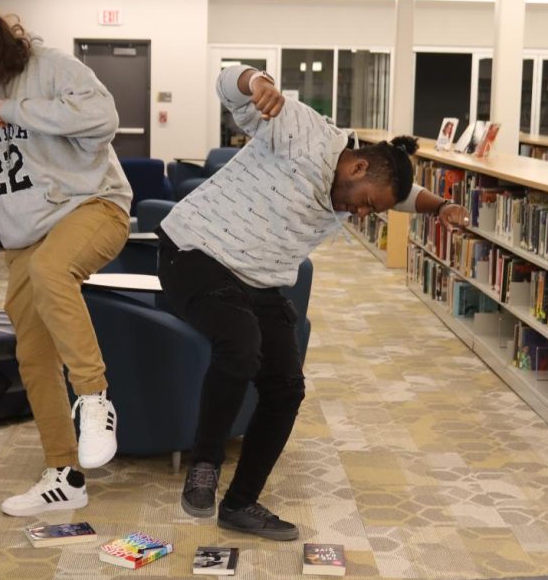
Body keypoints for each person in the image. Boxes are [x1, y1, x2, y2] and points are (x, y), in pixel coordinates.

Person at [157, 65, 470, 541]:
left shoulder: (367, 179)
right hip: (194, 251)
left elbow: (404, 196)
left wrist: (442, 207)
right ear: (358, 166)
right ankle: (204, 465)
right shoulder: (305, 133)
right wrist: (255, 82)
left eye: (373, 211)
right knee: (240, 343)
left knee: (286, 386)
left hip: (257, 279)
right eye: (367, 203)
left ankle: (240, 504)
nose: (361, 213)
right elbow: (226, 82)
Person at [0, 0, 133, 517]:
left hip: (92, 206)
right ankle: (65, 474)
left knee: (52, 269)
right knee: (32, 355)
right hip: (21, 236)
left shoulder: (50, 66)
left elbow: (103, 115)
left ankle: (96, 399)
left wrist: (19, 111)